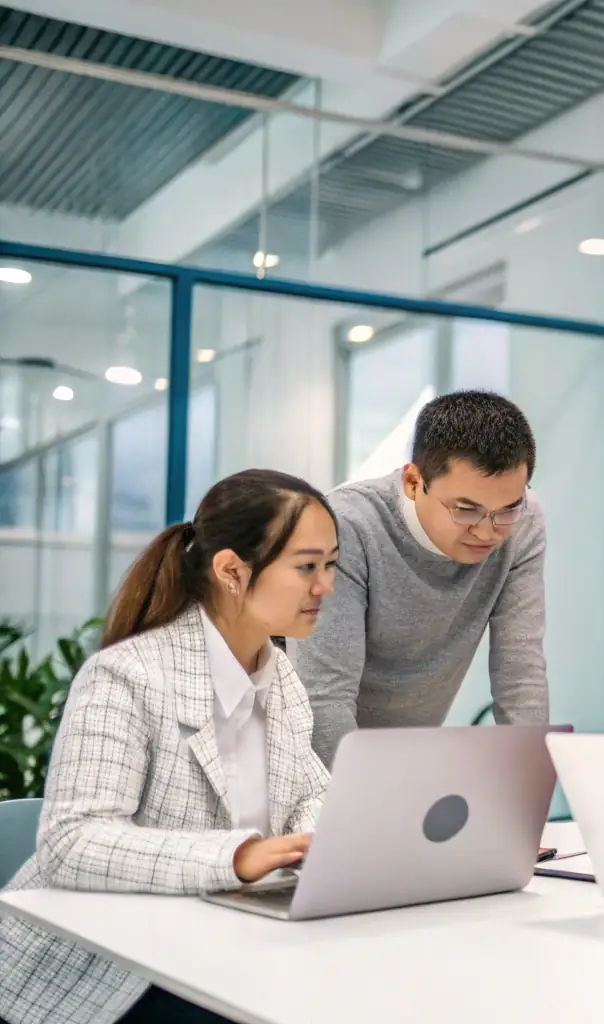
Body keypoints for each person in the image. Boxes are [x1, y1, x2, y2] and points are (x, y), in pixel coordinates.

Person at [0, 470, 339, 1024]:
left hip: (222, 946)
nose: (325, 586)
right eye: (307, 566)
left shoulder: (280, 679)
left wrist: (320, 839)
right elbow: (72, 841)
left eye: (331, 565)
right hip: (106, 974)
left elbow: (311, 793)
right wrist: (237, 857)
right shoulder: (126, 676)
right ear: (232, 570)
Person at [292, 390, 549, 767]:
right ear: (414, 481)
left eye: (507, 510)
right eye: (466, 510)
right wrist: (358, 803)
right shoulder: (346, 526)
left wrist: (528, 796)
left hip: (409, 755)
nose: (488, 531)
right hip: (308, 762)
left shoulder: (523, 523)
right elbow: (325, 696)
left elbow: (520, 675)